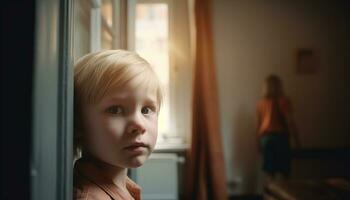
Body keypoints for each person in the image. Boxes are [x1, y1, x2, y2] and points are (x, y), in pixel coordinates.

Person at [73, 49, 162, 200]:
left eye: (146, 110)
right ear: (79, 123)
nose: (139, 125)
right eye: (115, 110)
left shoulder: (123, 185)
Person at [256, 74, 300, 181]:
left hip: (265, 139)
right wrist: (297, 139)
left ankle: (270, 197)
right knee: (285, 173)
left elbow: (258, 125)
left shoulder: (260, 103)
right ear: (279, 86)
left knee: (270, 174)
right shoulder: (284, 100)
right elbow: (290, 121)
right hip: (281, 138)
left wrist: (257, 143)